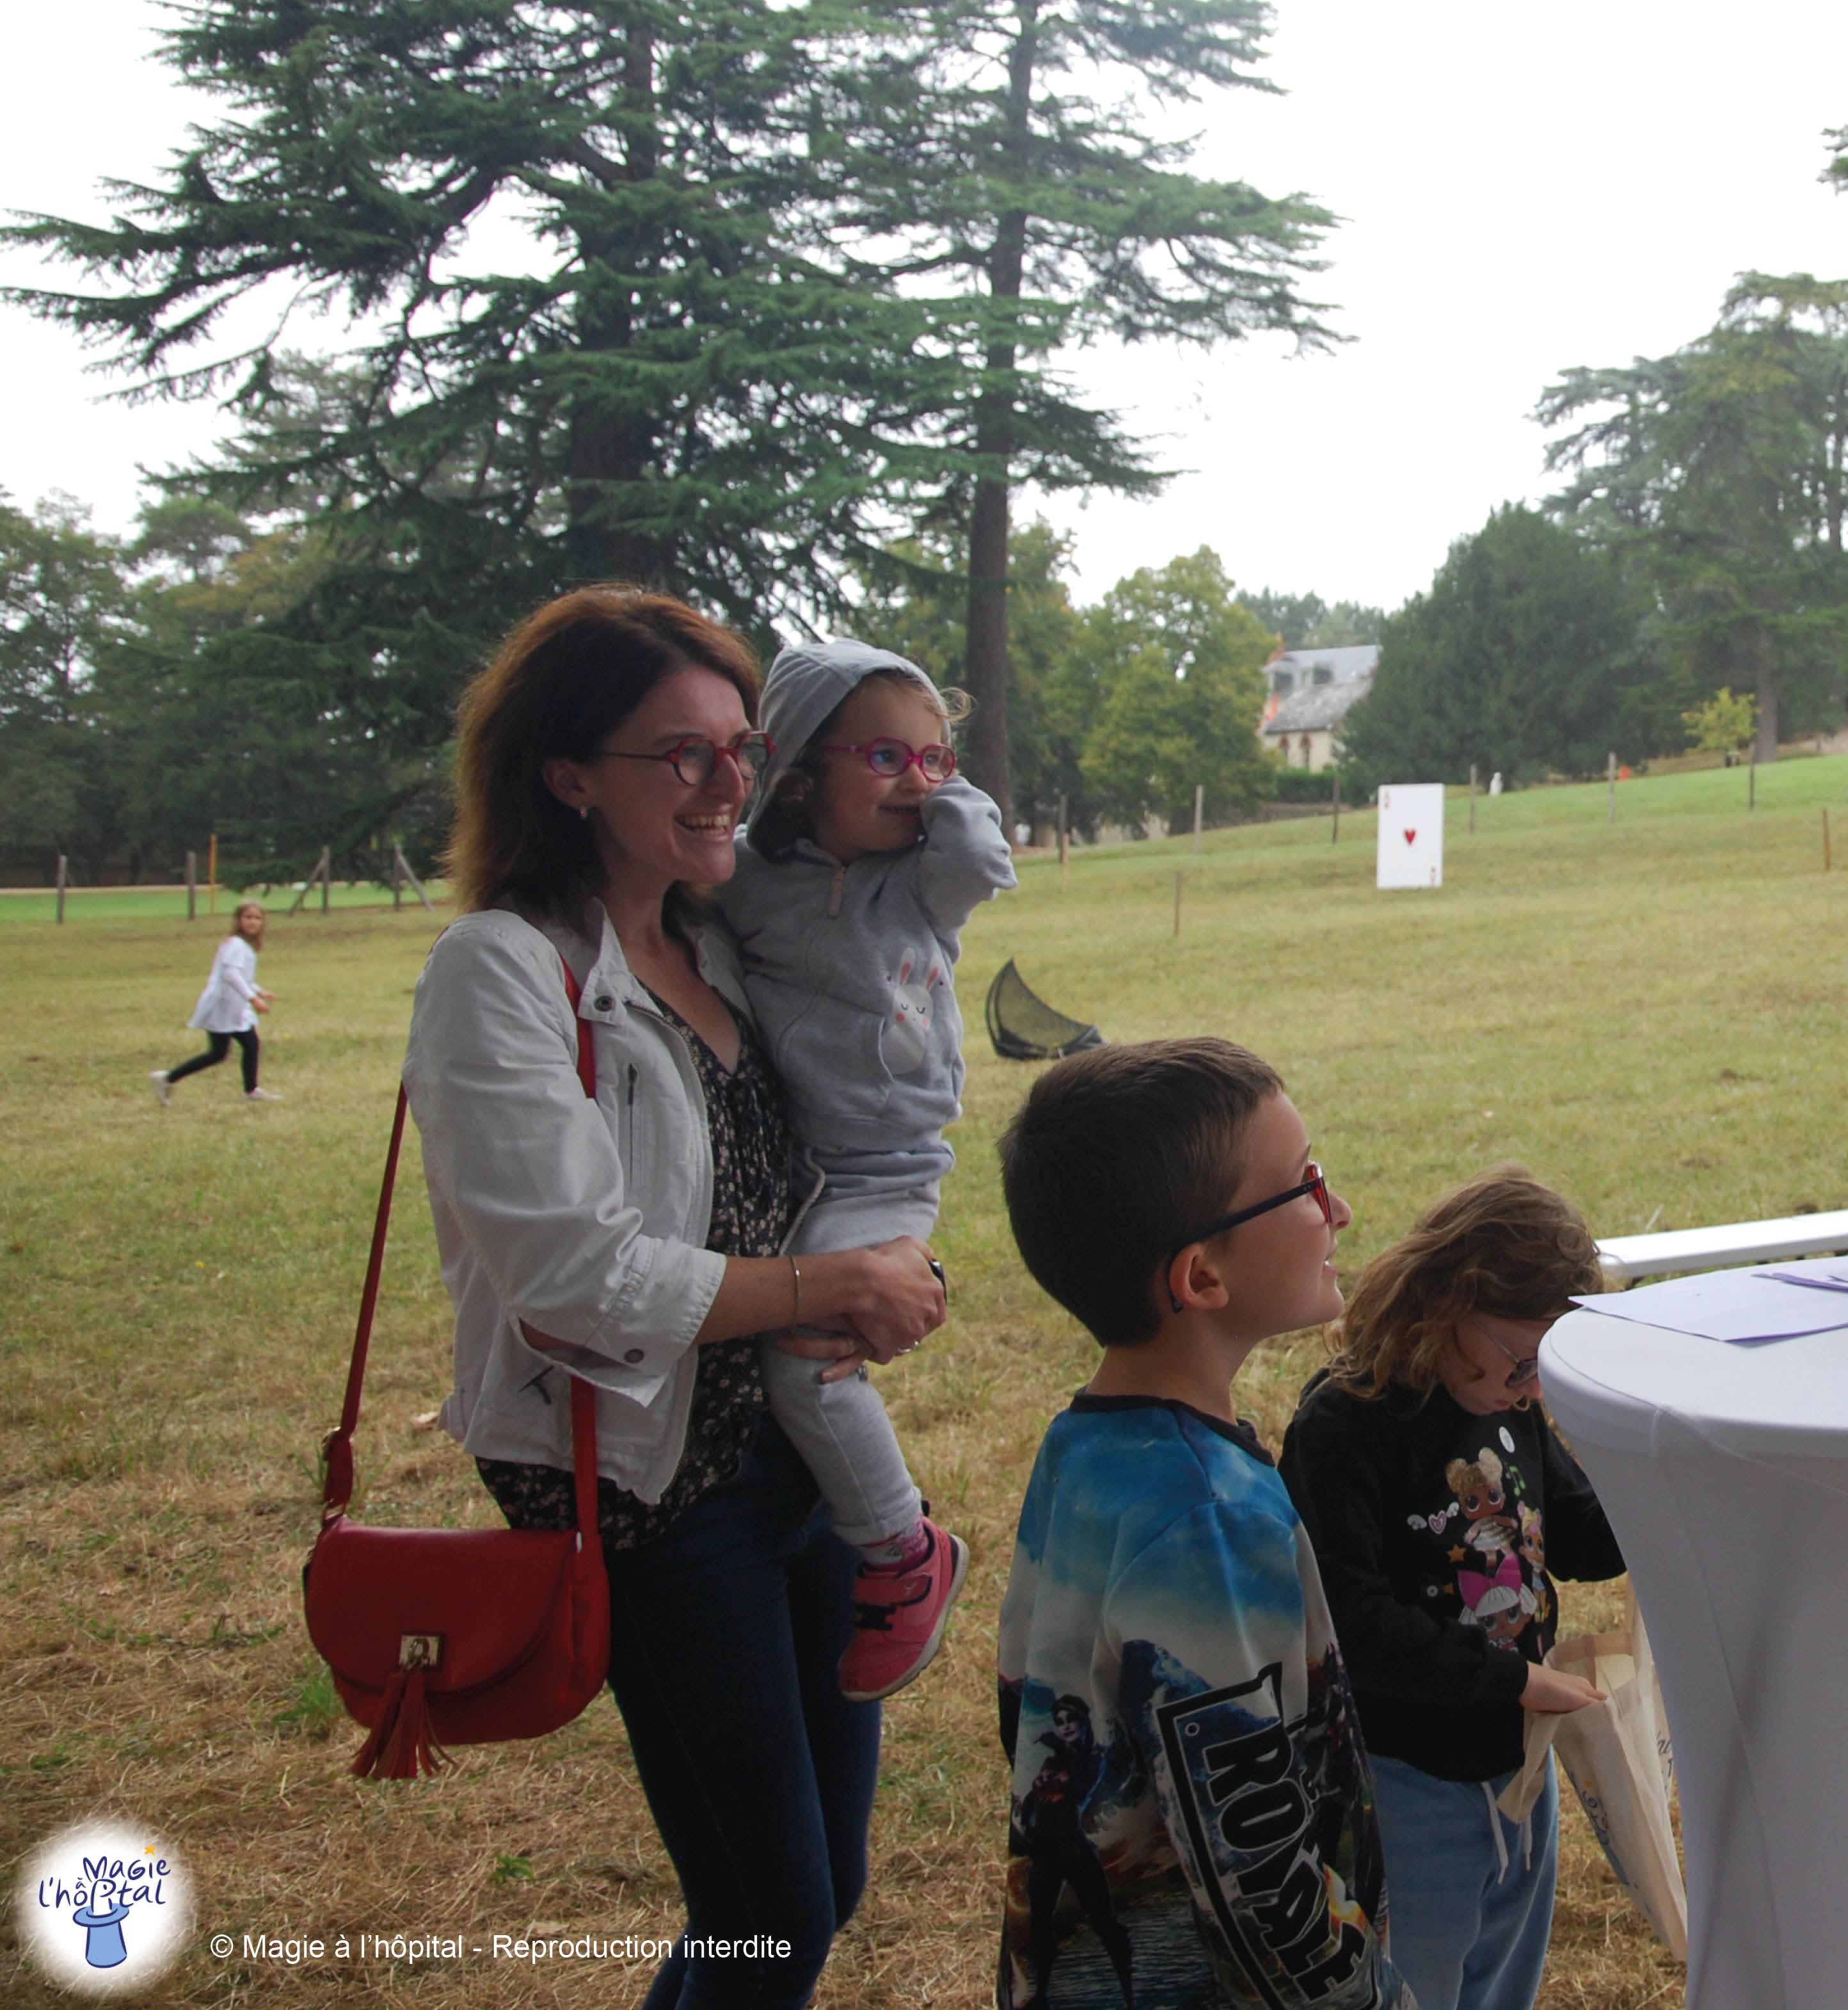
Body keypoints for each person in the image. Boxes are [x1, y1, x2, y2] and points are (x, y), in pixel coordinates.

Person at [404, 586, 951, 2008]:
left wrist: (897, 1265)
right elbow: (571, 1278)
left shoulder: (715, 945)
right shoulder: (505, 973)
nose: (727, 785)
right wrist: (826, 1285)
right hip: (654, 1488)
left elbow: (824, 1145)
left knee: (821, 1883)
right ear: (569, 774)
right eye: (681, 755)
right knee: (764, 1907)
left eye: (741, 748)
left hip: (794, 1461)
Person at [991, 1037, 1412, 2010]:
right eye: (1305, 1185)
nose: (1336, 1210)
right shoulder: (1204, 1519)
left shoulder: (1085, 1447)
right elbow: (1250, 1862)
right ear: (1201, 1279)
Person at [714, 638, 1014, 1702]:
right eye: (884, 756)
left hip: (888, 1167)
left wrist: (942, 785)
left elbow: (984, 860)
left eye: (935, 758)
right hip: (801, 1163)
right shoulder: (750, 886)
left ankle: (901, 1550)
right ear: (796, 768)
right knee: (785, 1339)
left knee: (805, 1357)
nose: (916, 782)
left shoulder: (920, 881)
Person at [1278, 1169, 1629, 2010]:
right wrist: (1515, 1681)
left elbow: (1579, 1537)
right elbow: (1349, 1622)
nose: (1529, 1388)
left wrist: (1664, 1480)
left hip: (1517, 1768)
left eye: (1548, 1368)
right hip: (1407, 1781)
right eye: (1519, 1361)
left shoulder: (1508, 1402)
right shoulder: (1346, 1422)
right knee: (1415, 1988)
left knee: (1503, 1977)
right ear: (1442, 1299)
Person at [151, 898, 276, 1102]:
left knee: (247, 1045)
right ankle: (167, 1078)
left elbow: (241, 977)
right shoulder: (236, 944)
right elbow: (230, 975)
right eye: (248, 917)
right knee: (220, 1053)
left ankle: (251, 1090)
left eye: (257, 918)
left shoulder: (243, 945)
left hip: (233, 1006)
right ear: (238, 920)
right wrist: (253, 998)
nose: (253, 922)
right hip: (222, 1006)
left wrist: (259, 991)